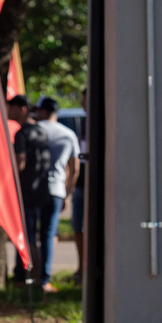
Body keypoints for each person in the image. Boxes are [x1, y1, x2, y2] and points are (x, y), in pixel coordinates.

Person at [33, 96, 80, 292]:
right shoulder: (68, 134)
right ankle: (45, 279)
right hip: (56, 190)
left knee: (29, 232)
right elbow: (74, 168)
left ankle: (26, 275)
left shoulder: (35, 130)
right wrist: (68, 193)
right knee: (48, 234)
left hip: (33, 189)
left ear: (43, 111)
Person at [8, 95, 52, 287]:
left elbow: (20, 163)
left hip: (26, 192)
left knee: (28, 237)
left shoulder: (21, 133)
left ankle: (30, 279)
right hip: (42, 190)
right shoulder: (41, 131)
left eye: (12, 108)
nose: (9, 112)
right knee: (39, 237)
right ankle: (38, 279)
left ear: (22, 109)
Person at [72, 89, 87, 283]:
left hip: (90, 185)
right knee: (78, 227)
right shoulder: (84, 122)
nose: (83, 103)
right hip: (82, 184)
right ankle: (81, 268)